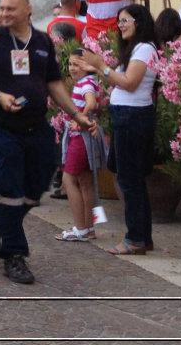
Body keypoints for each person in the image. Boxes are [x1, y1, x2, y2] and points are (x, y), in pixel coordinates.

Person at [0, 0, 95, 284]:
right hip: (3, 127)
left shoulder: (42, 41)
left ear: (27, 10)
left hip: (37, 127)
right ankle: (14, 255)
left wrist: (77, 114)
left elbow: (53, 84)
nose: (4, 14)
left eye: (11, 9)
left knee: (35, 190)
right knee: (9, 193)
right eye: (1, 8)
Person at [73, 4, 158, 255]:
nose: (120, 25)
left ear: (139, 22)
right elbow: (118, 80)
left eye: (125, 20)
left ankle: (135, 238)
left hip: (133, 117)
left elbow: (130, 83)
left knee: (129, 180)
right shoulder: (135, 49)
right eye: (118, 21)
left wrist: (101, 64)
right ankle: (142, 237)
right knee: (128, 178)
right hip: (126, 116)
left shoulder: (144, 48)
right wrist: (96, 68)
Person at [54, 57, 106, 242]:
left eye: (77, 64)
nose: (73, 68)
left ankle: (80, 228)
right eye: (70, 64)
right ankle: (88, 228)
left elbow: (91, 103)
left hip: (80, 138)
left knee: (69, 180)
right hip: (85, 138)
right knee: (86, 181)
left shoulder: (85, 82)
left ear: (88, 66)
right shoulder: (89, 81)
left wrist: (79, 119)